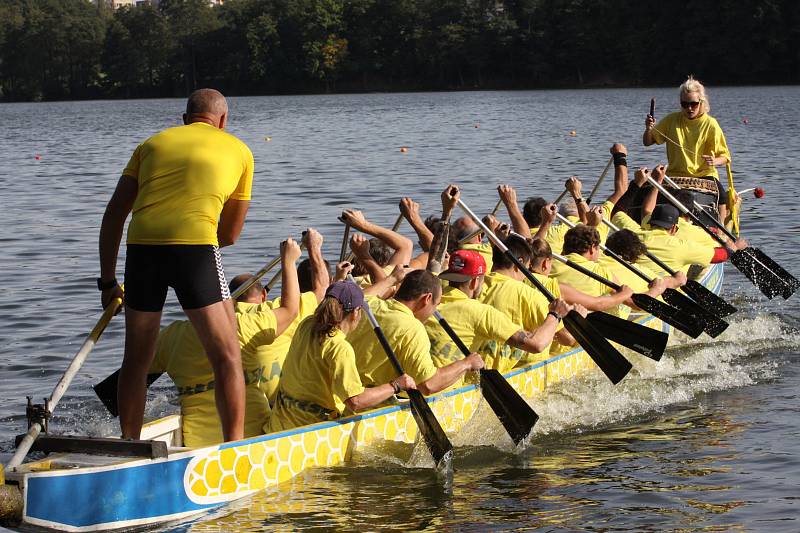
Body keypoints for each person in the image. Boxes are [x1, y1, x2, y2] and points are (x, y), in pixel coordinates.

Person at [98, 88, 254, 441]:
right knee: (228, 356)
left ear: (184, 119)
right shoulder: (241, 151)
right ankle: (235, 446)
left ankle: (130, 445)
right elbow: (229, 235)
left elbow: (113, 215)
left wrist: (107, 282)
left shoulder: (150, 145)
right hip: (195, 248)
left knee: (136, 361)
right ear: (223, 121)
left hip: (142, 250)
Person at [150, 239, 301, 447]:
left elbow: (138, 372)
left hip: (197, 443)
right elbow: (290, 310)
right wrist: (289, 262)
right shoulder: (242, 325)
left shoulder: (170, 336)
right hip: (254, 438)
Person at [268, 281, 416, 432]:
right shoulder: (339, 348)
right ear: (355, 313)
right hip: (311, 432)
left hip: (278, 424)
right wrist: (396, 385)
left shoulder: (306, 324)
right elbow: (356, 401)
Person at [425, 249, 569, 386]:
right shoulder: (481, 312)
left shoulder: (428, 304)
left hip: (423, 382)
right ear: (475, 282)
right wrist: (555, 314)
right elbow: (537, 344)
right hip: (450, 392)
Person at [347, 269, 485, 395]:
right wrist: (466, 363)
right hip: (370, 403)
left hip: (340, 391)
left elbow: (364, 295)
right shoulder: (413, 328)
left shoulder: (368, 304)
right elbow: (428, 385)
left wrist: (392, 278)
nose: (433, 313)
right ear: (427, 299)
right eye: (435, 305)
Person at [236, 228, 330, 405]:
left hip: (244, 399)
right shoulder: (278, 312)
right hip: (279, 403)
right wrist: (314, 248)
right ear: (263, 295)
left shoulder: (228, 316)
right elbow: (323, 290)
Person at [478, 234, 584, 370]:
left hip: (476, 367)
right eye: (527, 267)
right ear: (520, 263)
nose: (527, 273)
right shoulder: (527, 295)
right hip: (507, 371)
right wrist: (578, 317)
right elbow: (567, 339)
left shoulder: (474, 286)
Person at [643, 75, 732, 223]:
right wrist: (648, 129)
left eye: (693, 104)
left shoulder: (711, 124)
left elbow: (725, 157)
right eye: (685, 104)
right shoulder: (672, 120)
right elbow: (647, 142)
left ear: (701, 102)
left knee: (721, 197)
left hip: (704, 175)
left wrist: (714, 161)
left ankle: (720, 229)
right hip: (674, 175)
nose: (689, 108)